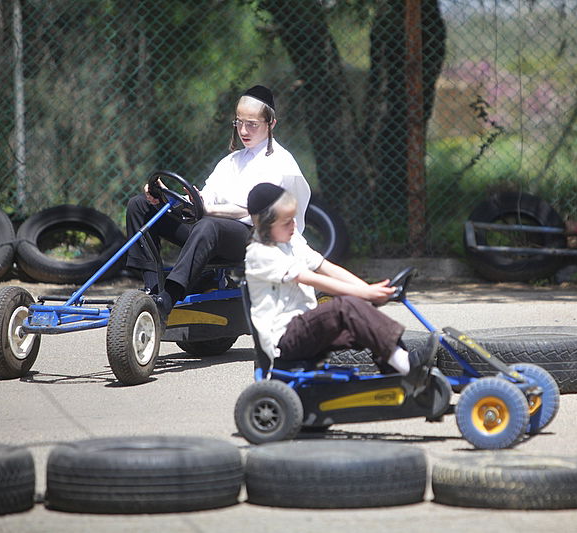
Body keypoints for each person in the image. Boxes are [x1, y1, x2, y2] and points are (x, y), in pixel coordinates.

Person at [125, 85, 311, 323]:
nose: (243, 130)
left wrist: (207, 210)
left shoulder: (281, 163)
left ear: (271, 123)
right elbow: (205, 200)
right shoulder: (231, 161)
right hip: (213, 230)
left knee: (208, 225)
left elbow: (255, 210)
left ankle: (167, 300)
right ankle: (152, 292)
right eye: (239, 122)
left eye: (252, 124)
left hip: (258, 238)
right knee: (140, 205)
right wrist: (167, 198)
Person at [244, 182, 435, 386]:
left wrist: (368, 290)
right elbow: (311, 278)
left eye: (293, 219)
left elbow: (326, 267)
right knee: (344, 306)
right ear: (265, 224)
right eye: (287, 222)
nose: (295, 226)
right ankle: (409, 367)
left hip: (303, 326)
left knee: (365, 322)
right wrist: (366, 294)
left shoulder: (290, 241)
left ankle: (398, 374)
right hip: (284, 338)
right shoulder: (259, 253)